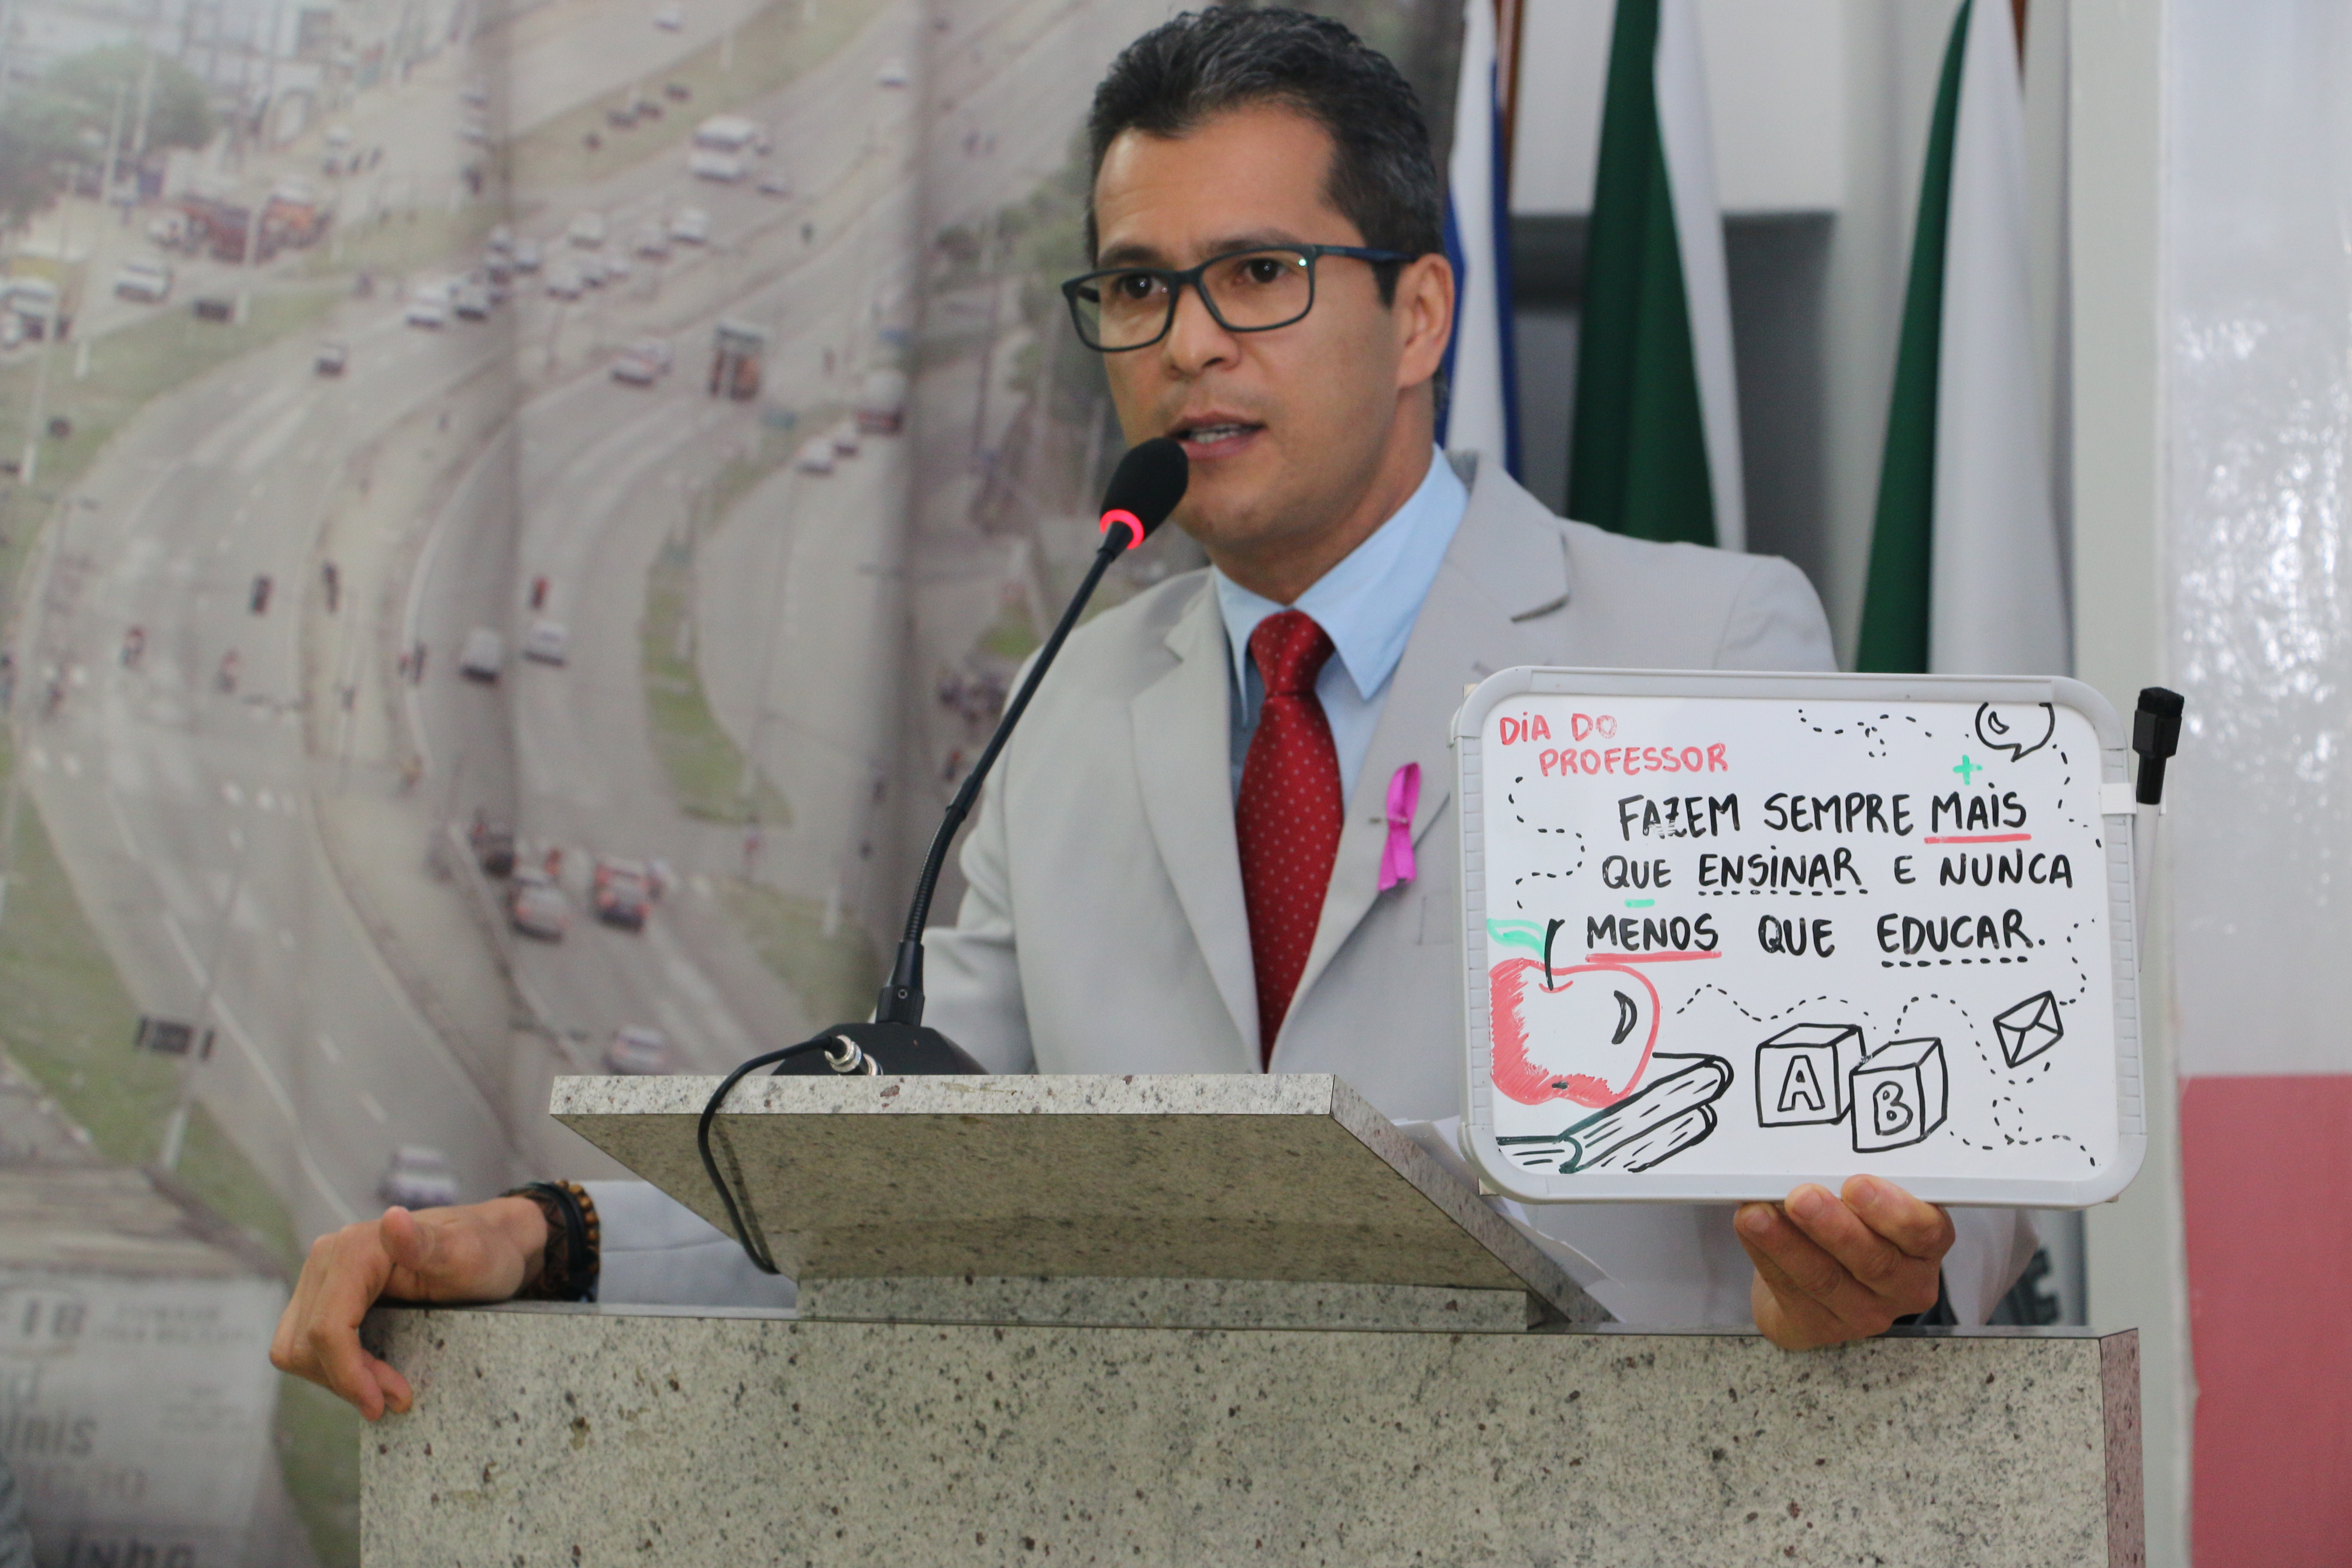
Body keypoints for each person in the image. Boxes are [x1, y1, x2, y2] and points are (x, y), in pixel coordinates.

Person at [274, 8, 2031, 1421]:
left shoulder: (1700, 641)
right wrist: (541, 1238)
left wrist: (1876, 1274)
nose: (1188, 343)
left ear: (1419, 314)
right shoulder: (1073, 709)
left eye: (1258, 274)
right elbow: (901, 1186)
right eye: (1135, 287)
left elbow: (1925, 1147)